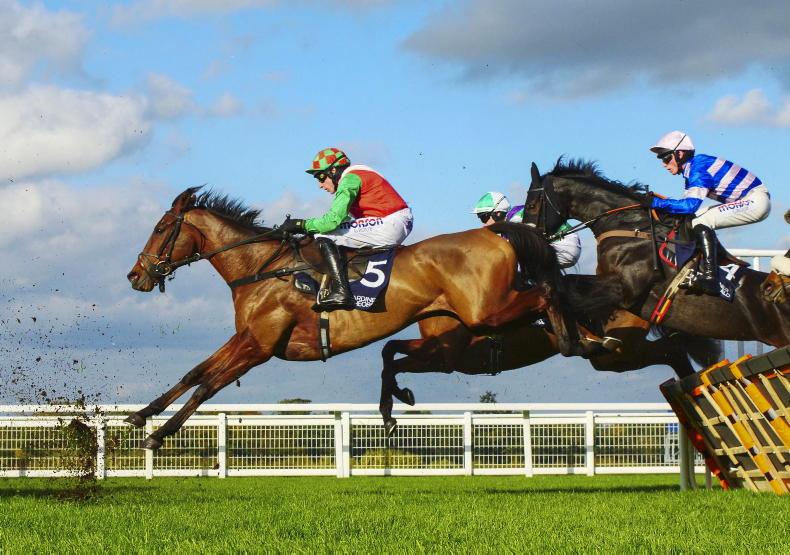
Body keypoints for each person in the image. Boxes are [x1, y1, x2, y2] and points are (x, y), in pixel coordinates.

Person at [279, 147, 413, 311]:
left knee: (323, 235)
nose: (320, 185)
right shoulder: (356, 175)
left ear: (333, 170)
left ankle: (342, 292)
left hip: (390, 223)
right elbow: (343, 221)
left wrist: (301, 224)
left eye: (320, 177)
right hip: (393, 221)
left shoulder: (349, 179)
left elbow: (331, 222)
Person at [647, 131, 771, 295]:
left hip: (755, 202)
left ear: (680, 154)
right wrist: (660, 204)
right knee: (694, 219)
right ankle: (716, 261)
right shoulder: (693, 168)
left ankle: (711, 278)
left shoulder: (698, 168)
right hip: (753, 200)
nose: (664, 164)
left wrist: (656, 203)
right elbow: (687, 209)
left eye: (665, 158)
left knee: (700, 221)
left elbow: (690, 205)